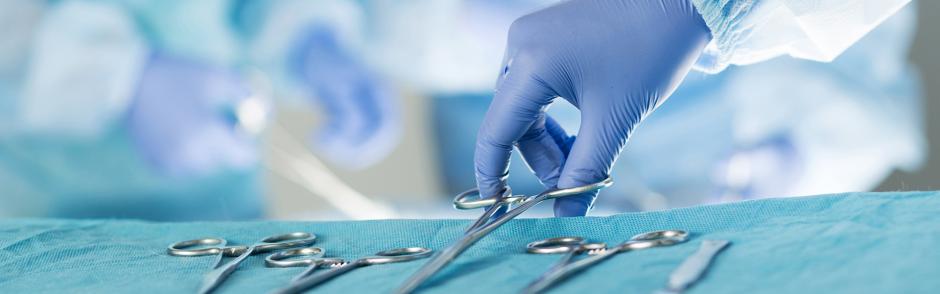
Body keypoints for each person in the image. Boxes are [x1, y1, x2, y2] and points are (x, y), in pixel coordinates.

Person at [471, 0, 915, 217]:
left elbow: (860, 55)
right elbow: (408, 31)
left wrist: (802, 150)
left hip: (717, 158)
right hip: (500, 159)